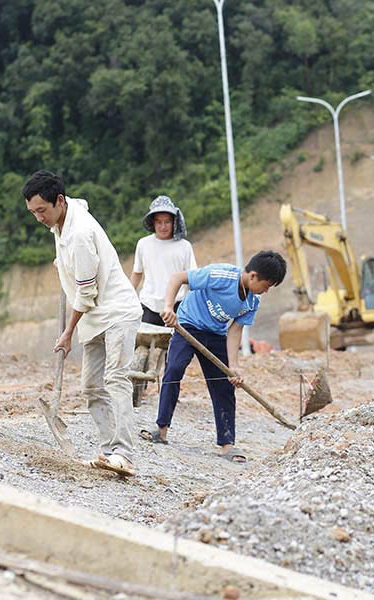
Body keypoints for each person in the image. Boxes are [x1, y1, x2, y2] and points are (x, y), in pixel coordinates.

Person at [23, 170, 142, 477]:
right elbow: (82, 204)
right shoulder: (66, 217)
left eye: (42, 211)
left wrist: (67, 333)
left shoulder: (79, 234)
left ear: (59, 201)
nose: (39, 218)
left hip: (116, 312)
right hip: (96, 319)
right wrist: (62, 264)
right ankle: (107, 450)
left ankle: (124, 454)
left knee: (116, 379)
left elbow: (87, 293)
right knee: (91, 385)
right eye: (33, 212)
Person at [139, 251, 287, 463]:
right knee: (174, 369)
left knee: (224, 386)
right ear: (253, 276)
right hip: (188, 324)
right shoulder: (220, 275)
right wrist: (169, 308)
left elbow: (235, 330)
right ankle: (161, 430)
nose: (266, 290)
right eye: (267, 285)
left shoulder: (253, 301)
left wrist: (234, 366)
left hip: (217, 333)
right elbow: (178, 278)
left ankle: (227, 444)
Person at [130, 195, 197, 326]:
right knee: (146, 345)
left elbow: (192, 279)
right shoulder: (143, 244)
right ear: (153, 223)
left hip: (178, 307)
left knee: (175, 345)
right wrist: (127, 297)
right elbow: (137, 273)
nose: (163, 226)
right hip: (149, 306)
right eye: (159, 222)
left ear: (174, 222)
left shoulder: (184, 246)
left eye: (167, 222)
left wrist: (191, 307)